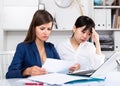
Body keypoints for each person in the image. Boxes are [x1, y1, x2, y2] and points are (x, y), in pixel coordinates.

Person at [6, 10, 60, 78]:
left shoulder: (51, 47)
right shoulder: (22, 47)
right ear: (34, 28)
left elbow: (60, 68)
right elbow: (9, 74)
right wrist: (27, 71)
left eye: (49, 29)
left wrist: (70, 69)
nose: (46, 32)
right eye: (42, 28)